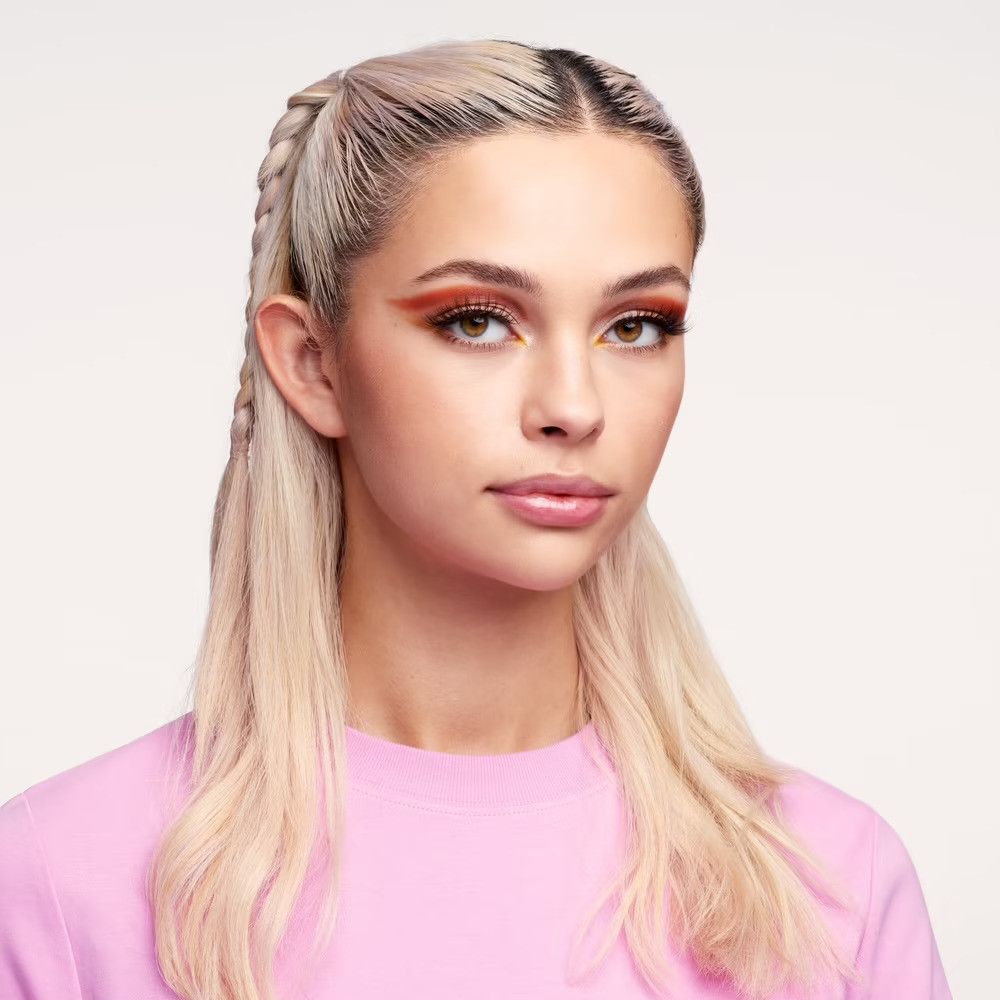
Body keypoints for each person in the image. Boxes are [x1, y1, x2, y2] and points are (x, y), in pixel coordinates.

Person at [0, 38, 953, 1000]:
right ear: (312, 363)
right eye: (478, 319)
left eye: (636, 325)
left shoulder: (828, 884)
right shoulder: (62, 883)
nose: (574, 407)